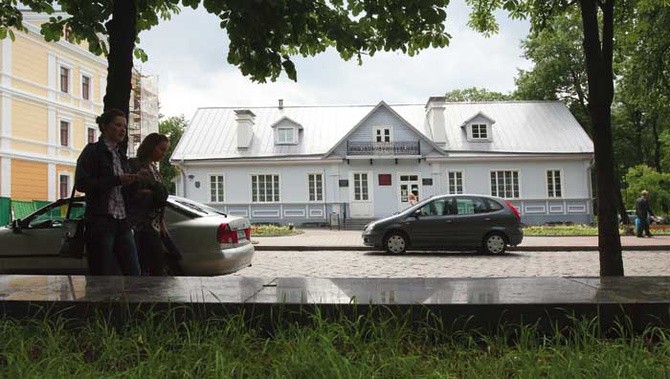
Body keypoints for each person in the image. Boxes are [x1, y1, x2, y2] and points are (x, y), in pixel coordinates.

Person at [75, 109, 141, 276]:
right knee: (102, 274)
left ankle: (133, 303)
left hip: (123, 221)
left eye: (125, 126)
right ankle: (101, 302)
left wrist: (136, 180)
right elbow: (82, 184)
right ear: (104, 126)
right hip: (101, 221)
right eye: (118, 125)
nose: (122, 130)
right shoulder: (93, 151)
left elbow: (124, 189)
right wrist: (117, 180)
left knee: (134, 274)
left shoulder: (121, 155)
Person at [128, 133, 174, 275]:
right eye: (161, 149)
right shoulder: (135, 165)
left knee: (158, 263)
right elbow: (133, 192)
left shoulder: (154, 169)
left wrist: (162, 223)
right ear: (151, 147)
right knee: (146, 263)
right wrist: (149, 193)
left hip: (154, 224)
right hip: (140, 225)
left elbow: (161, 198)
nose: (163, 154)